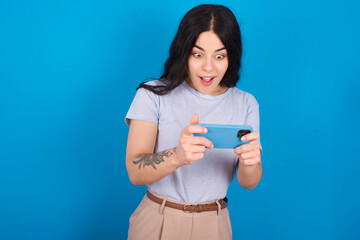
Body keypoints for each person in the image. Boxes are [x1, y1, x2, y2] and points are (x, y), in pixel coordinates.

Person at [125, 4, 262, 240]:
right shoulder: (152, 95)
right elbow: (135, 172)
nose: (208, 67)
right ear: (184, 52)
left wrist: (251, 161)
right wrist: (178, 156)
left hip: (214, 224)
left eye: (220, 56)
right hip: (158, 220)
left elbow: (248, 182)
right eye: (197, 54)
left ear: (232, 56)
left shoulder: (246, 103)